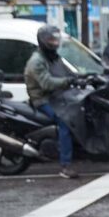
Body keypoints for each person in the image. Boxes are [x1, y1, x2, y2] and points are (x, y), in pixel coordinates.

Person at [24, 25, 78, 179]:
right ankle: (65, 166)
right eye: (51, 40)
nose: (54, 43)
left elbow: (67, 72)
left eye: (56, 39)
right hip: (43, 100)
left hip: (57, 96)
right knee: (64, 122)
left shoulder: (53, 57)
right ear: (43, 41)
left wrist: (82, 77)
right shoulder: (37, 61)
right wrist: (68, 81)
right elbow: (46, 83)